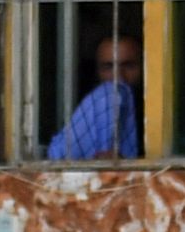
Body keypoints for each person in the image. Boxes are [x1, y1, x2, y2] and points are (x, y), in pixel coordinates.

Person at [45, 31, 143, 162]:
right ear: (97, 71)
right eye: (108, 67)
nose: (118, 76)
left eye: (129, 66)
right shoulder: (85, 113)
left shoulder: (160, 119)